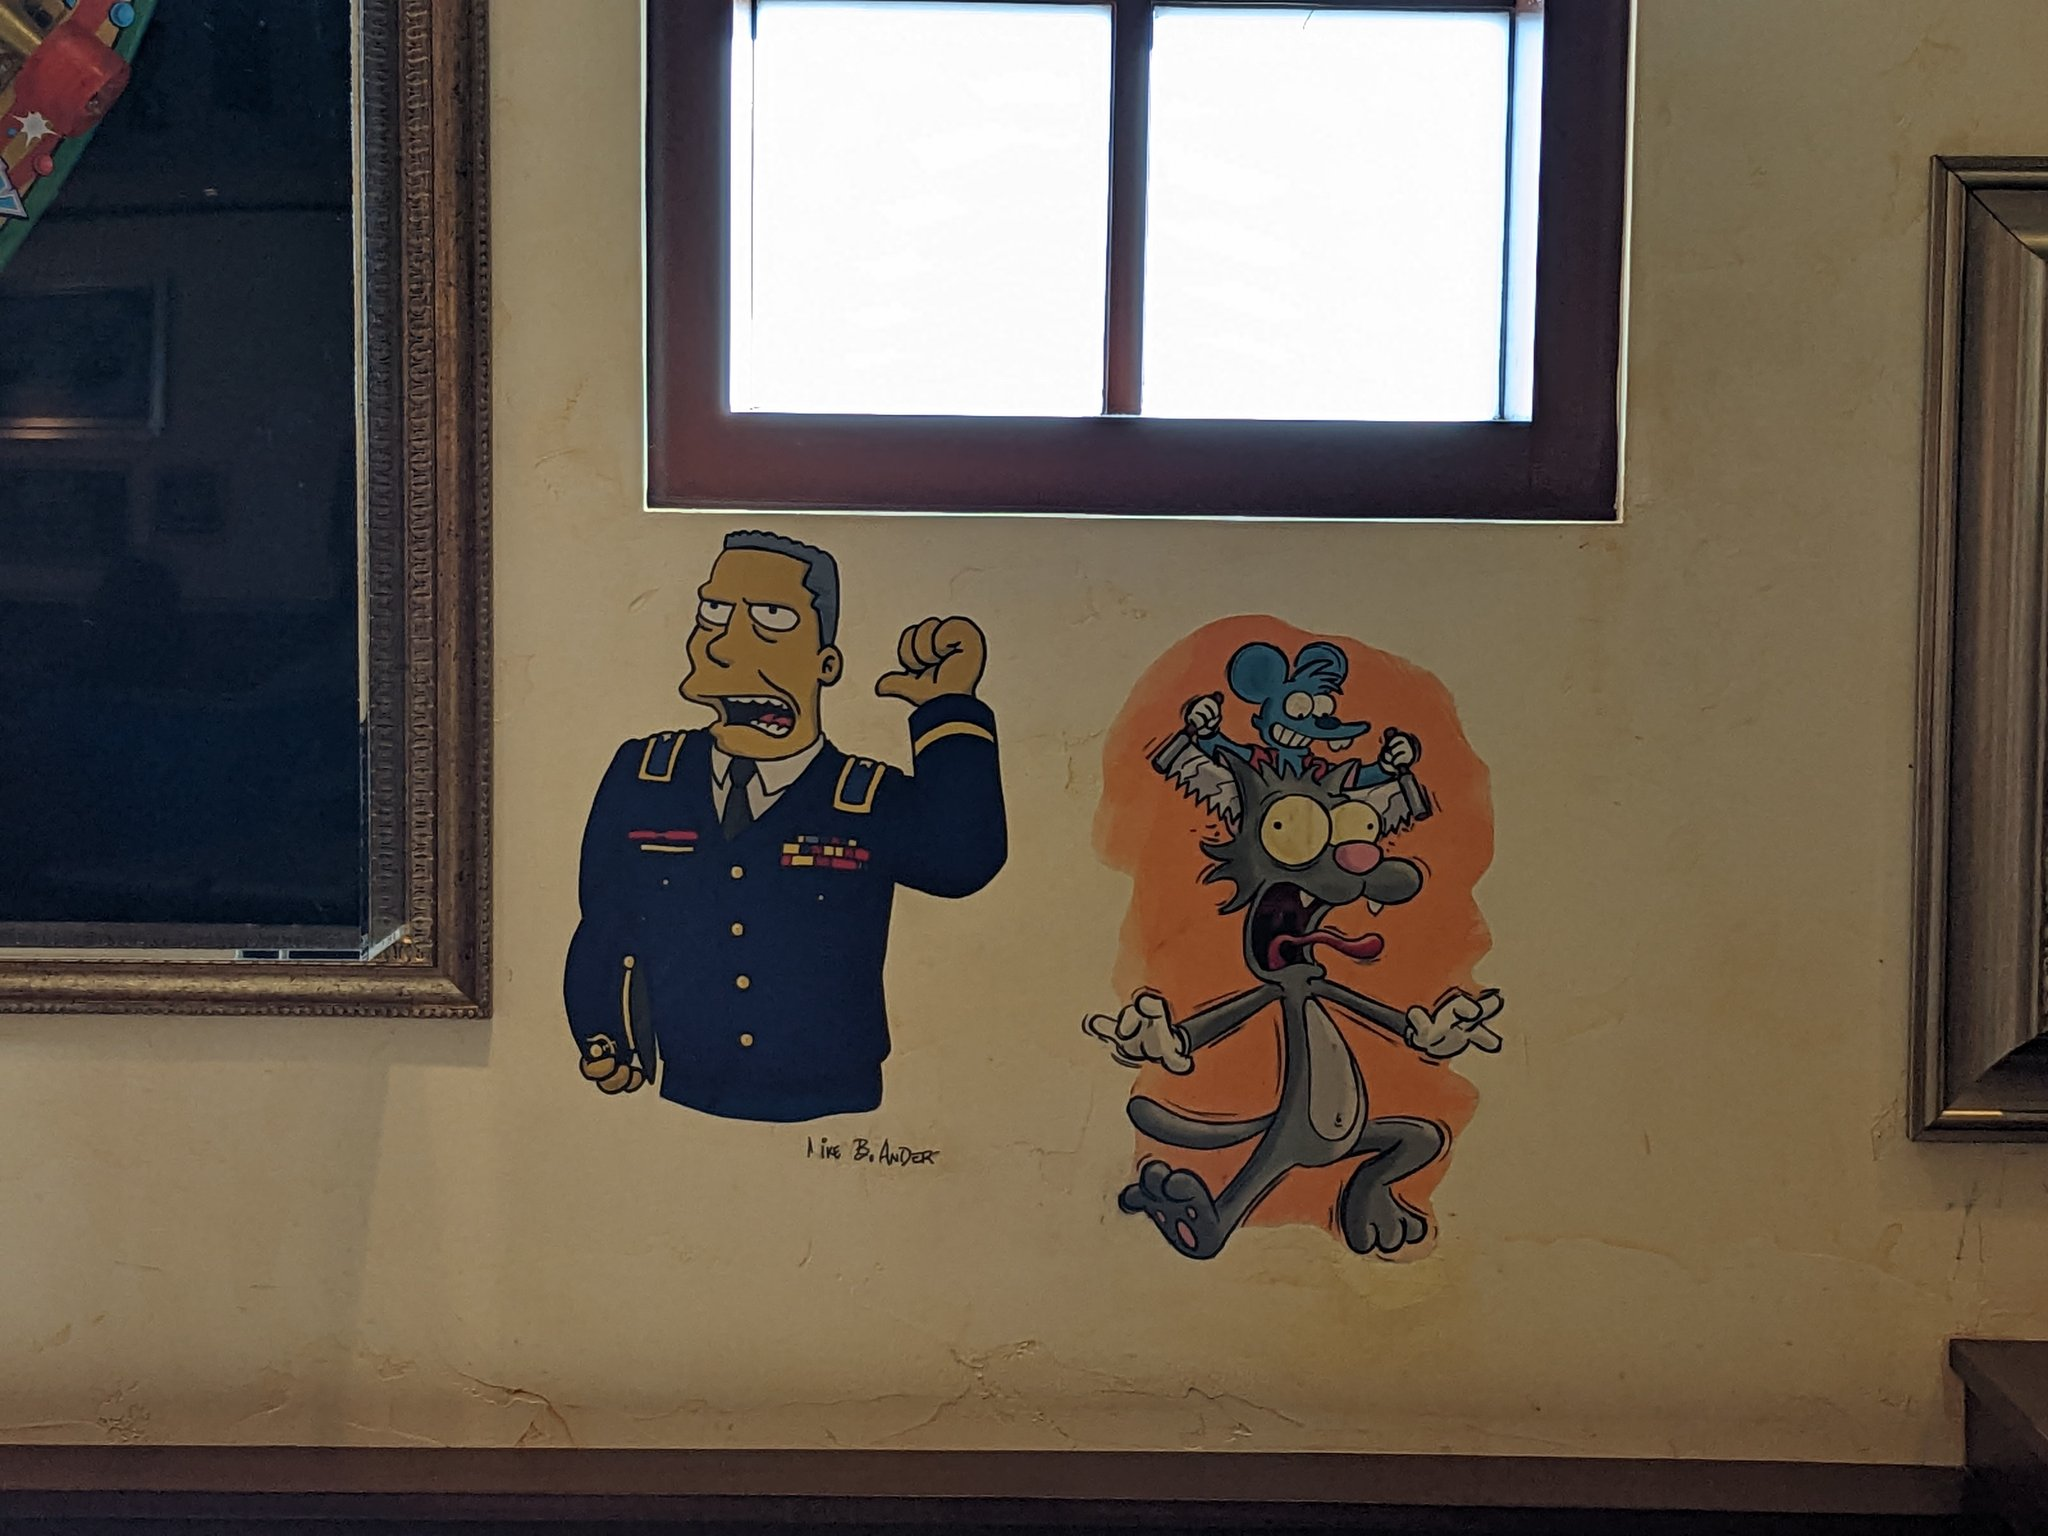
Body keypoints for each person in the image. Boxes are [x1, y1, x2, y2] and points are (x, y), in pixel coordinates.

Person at [563, 530, 1006, 1122]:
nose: (724, 643)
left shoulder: (862, 795)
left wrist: (947, 707)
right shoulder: (646, 774)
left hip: (838, 1099)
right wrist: (605, 1034)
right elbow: (605, 923)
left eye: (771, 619)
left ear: (826, 663)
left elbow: (962, 862)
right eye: (713, 613)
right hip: (688, 1097)